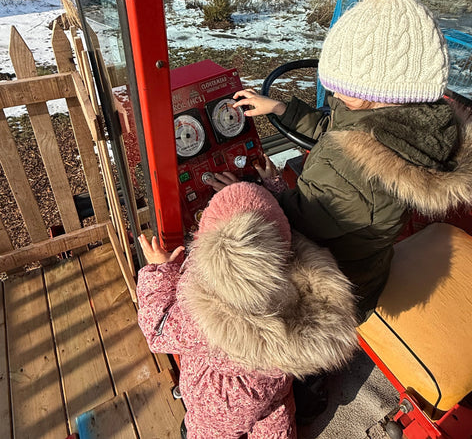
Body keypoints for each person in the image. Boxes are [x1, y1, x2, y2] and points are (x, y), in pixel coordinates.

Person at [206, 0, 472, 321]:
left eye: (342, 86)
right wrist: (282, 109)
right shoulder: (405, 123)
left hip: (335, 288)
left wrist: (249, 194)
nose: (334, 94)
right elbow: (339, 130)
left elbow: (298, 224)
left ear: (380, 87)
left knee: (232, 294)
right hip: (367, 262)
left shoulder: (352, 163)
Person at [136, 182, 358, 439]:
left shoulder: (203, 316)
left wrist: (160, 270)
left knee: (207, 430)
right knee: (276, 419)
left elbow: (158, 328)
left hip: (223, 401)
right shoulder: (301, 276)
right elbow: (279, 225)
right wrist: (271, 186)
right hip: (273, 381)